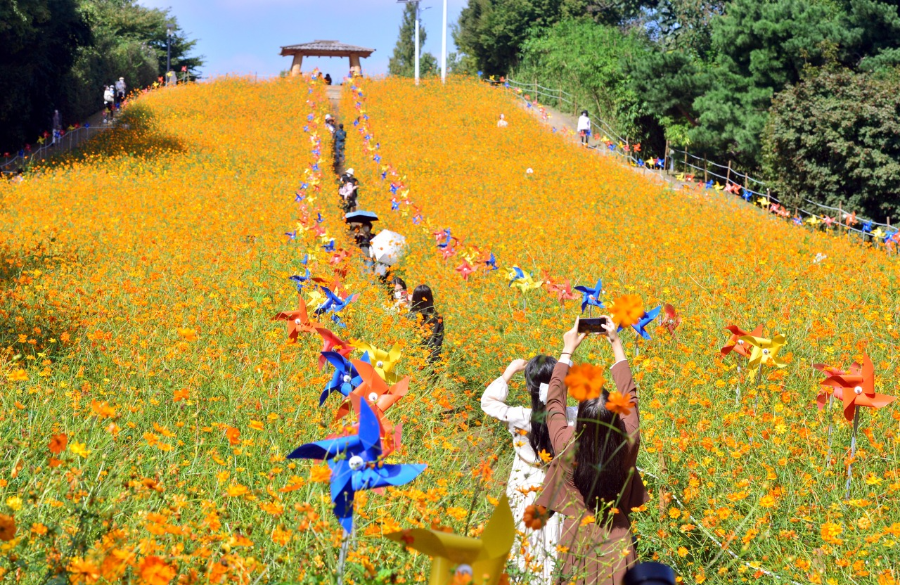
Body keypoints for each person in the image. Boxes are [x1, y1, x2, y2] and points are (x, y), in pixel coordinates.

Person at [535, 317, 648, 584]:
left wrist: (567, 351)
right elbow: (630, 394)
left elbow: (554, 403)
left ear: (581, 419)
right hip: (617, 538)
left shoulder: (565, 444)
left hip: (576, 537)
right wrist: (615, 342)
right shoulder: (628, 438)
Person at [481, 356, 577, 581]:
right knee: (554, 537)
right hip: (558, 486)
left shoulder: (519, 417)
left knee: (525, 539)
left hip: (525, 484)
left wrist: (509, 371)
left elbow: (488, 401)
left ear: (528, 387)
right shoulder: (572, 416)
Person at [407, 285, 444, 364]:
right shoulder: (438, 318)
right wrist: (430, 359)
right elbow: (438, 342)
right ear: (431, 298)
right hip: (431, 361)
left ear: (415, 299)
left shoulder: (409, 317)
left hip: (412, 360)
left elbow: (407, 341)